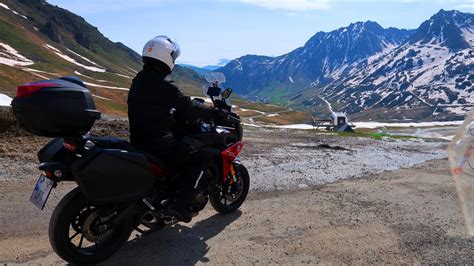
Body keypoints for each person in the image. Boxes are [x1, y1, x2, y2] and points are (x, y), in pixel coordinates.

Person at [128, 36, 216, 223]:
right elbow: (187, 106)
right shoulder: (163, 84)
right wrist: (213, 112)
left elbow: (155, 107)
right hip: (159, 144)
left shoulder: (140, 79)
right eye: (173, 57)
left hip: (139, 140)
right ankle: (180, 205)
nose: (174, 61)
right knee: (201, 158)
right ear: (165, 57)